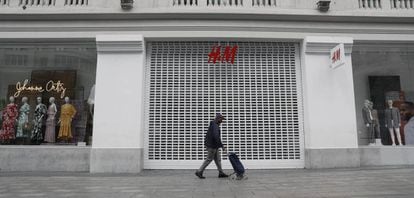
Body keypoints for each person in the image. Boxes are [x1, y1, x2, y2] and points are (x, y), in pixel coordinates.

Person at [195, 113, 229, 179]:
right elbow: (216, 137)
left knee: (218, 160)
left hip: (214, 145)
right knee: (209, 159)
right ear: (218, 119)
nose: (222, 121)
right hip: (212, 146)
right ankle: (199, 171)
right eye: (221, 119)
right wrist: (222, 146)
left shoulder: (213, 124)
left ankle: (221, 173)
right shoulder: (215, 126)